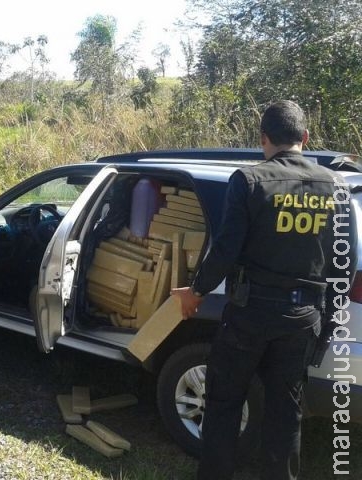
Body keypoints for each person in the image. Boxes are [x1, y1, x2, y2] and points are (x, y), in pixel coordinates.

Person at [171, 100, 357, 480]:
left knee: (223, 405)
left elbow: (225, 250)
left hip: (249, 315)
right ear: (305, 137)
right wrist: (327, 323)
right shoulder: (337, 186)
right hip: (303, 318)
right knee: (285, 413)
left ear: (263, 139)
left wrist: (196, 291)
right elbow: (343, 263)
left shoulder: (249, 180)